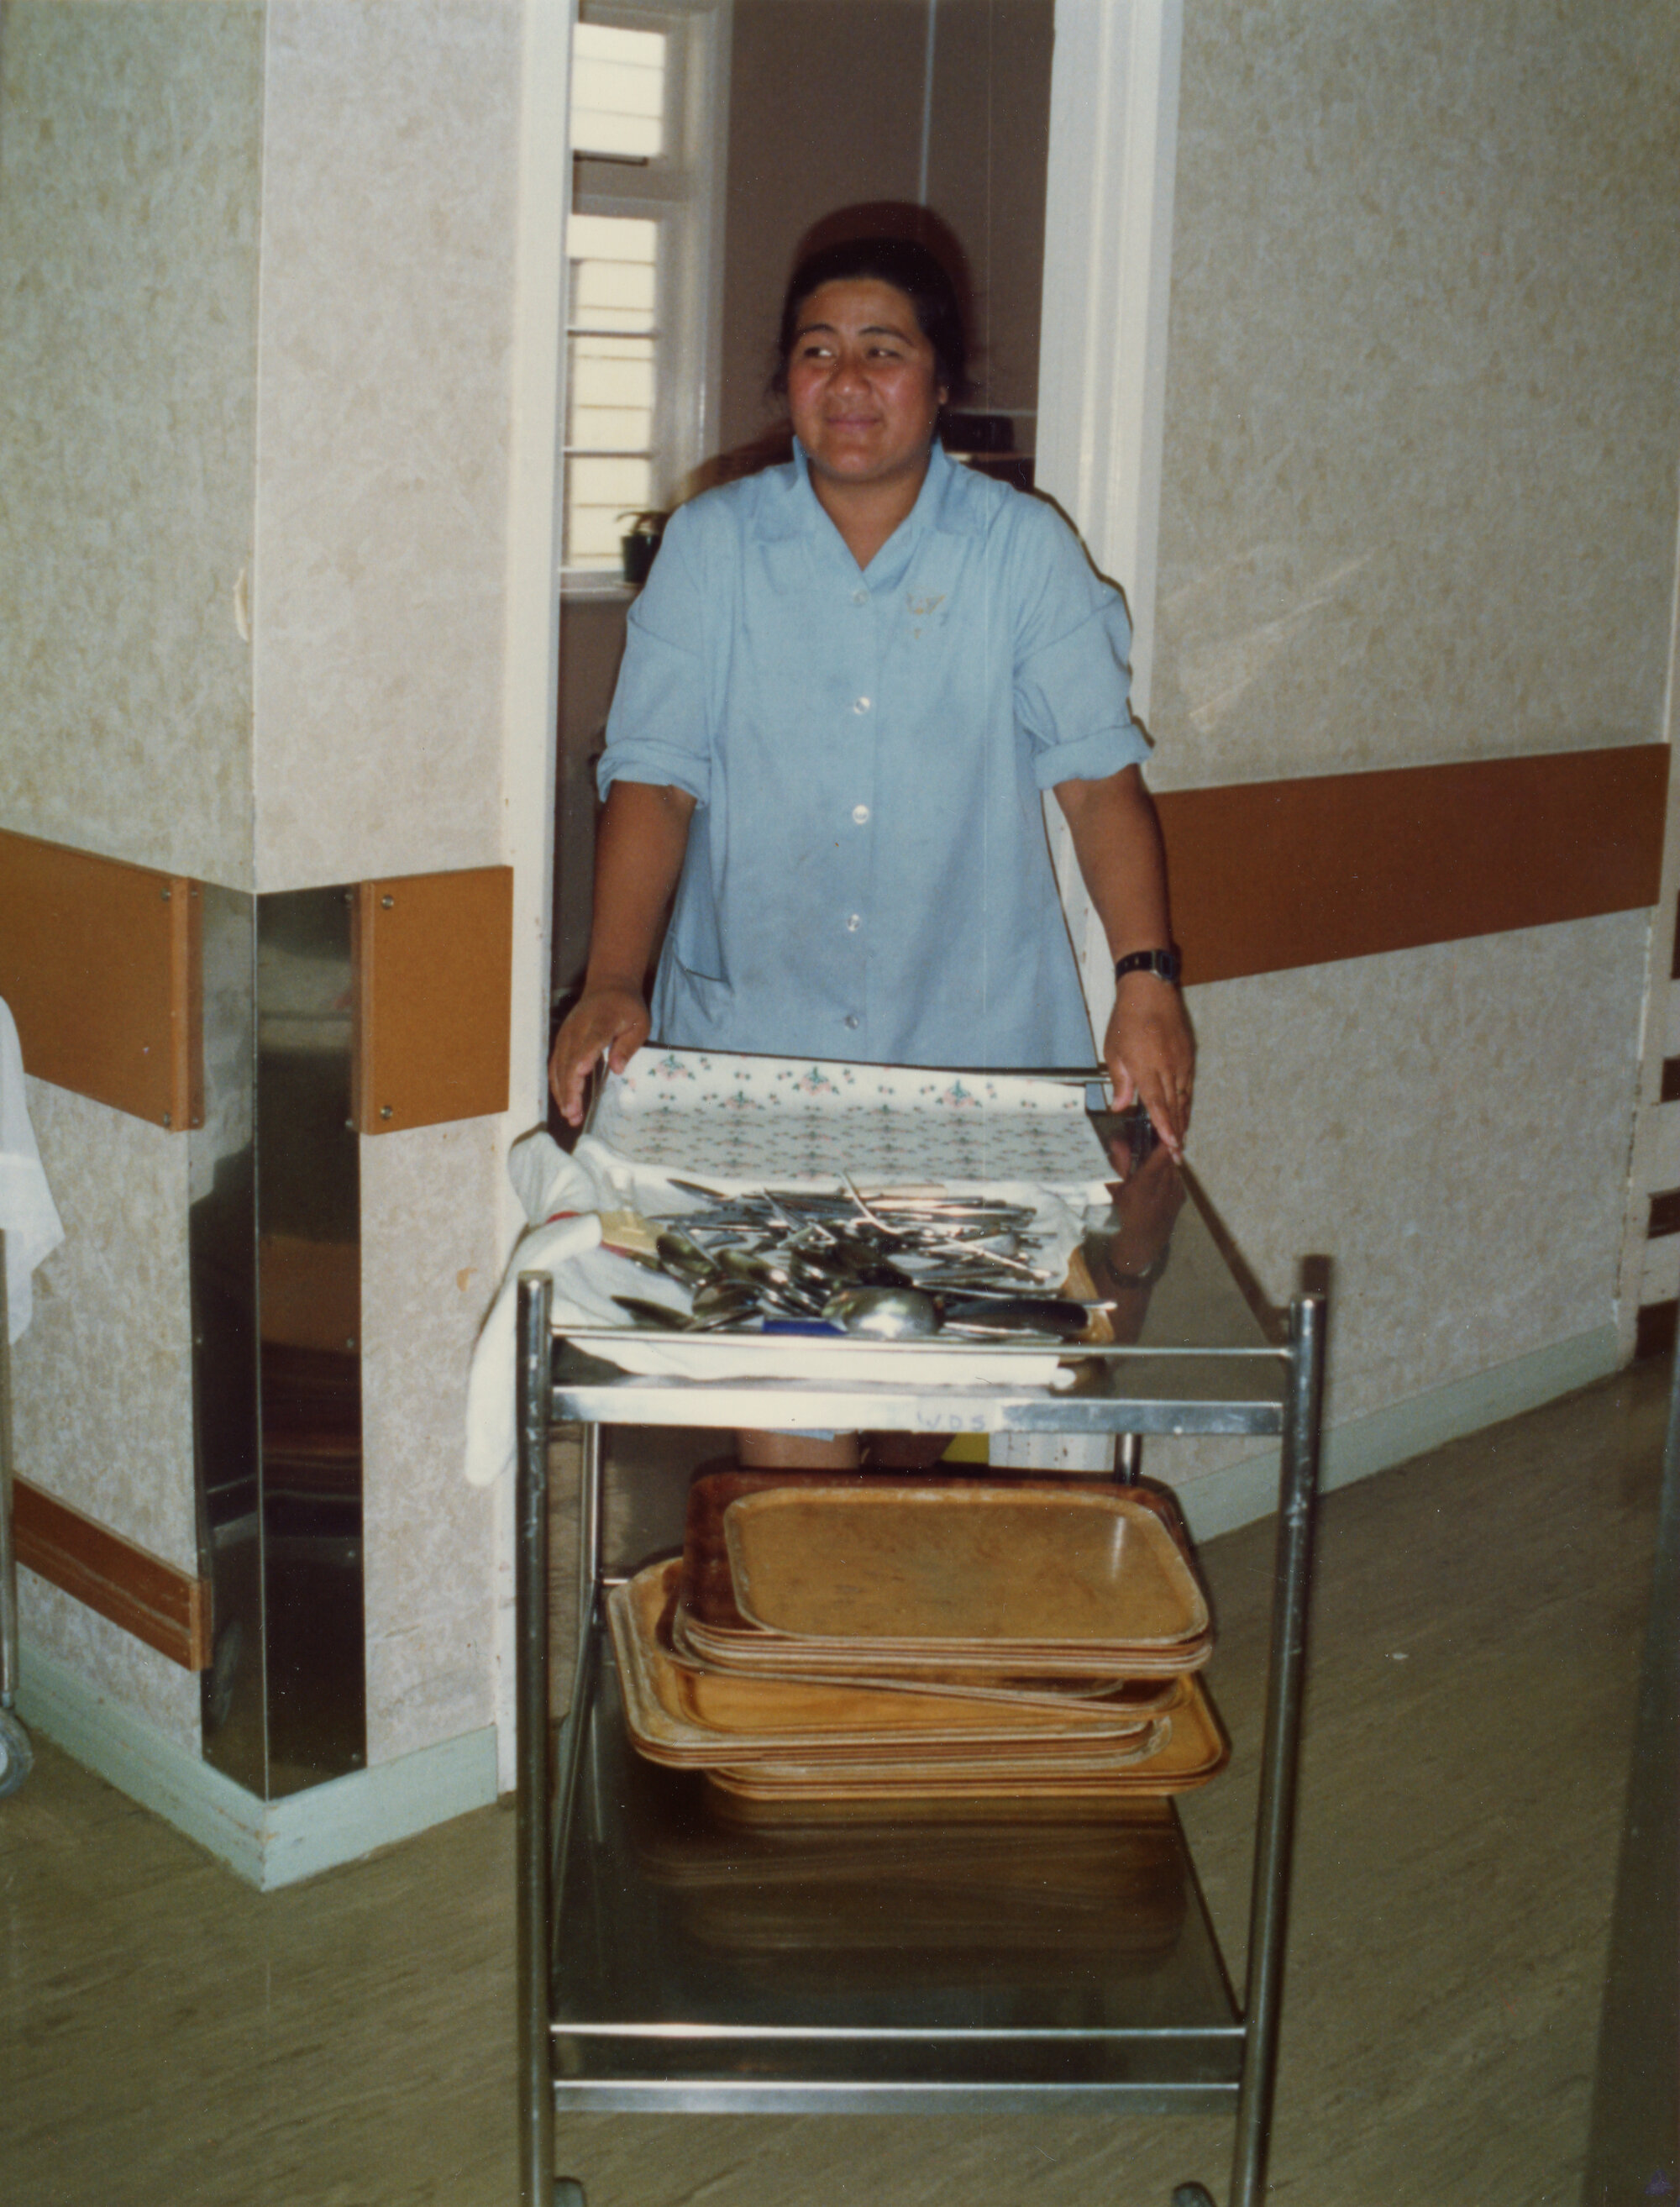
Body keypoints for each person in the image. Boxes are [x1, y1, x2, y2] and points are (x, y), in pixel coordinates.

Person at [551, 234, 1193, 1151]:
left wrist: (1145, 979)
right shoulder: (710, 546)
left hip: (978, 1053)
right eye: (817, 350)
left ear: (940, 384)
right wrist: (613, 975)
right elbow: (655, 777)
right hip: (750, 1053)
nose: (846, 379)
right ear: (786, 378)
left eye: (882, 350)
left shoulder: (1020, 549)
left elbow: (1096, 783)